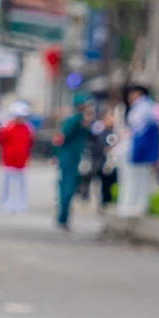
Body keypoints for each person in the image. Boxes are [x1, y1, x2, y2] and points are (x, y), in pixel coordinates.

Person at [118, 84, 159, 216]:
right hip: (139, 148)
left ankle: (135, 205)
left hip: (141, 149)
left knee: (137, 179)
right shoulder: (143, 107)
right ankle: (135, 204)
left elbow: (141, 132)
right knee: (137, 178)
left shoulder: (144, 108)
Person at [53, 95, 91, 229]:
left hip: (73, 158)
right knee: (67, 187)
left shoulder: (80, 120)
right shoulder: (74, 121)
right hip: (69, 159)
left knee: (68, 187)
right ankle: (63, 217)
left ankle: (63, 217)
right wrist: (56, 154)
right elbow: (60, 138)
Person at [0, 102, 34, 214]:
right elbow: (0, 141)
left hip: (21, 160)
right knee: (7, 184)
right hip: (9, 159)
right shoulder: (7, 128)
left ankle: (21, 204)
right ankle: (5, 203)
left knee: (21, 184)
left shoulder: (27, 128)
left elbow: (30, 144)